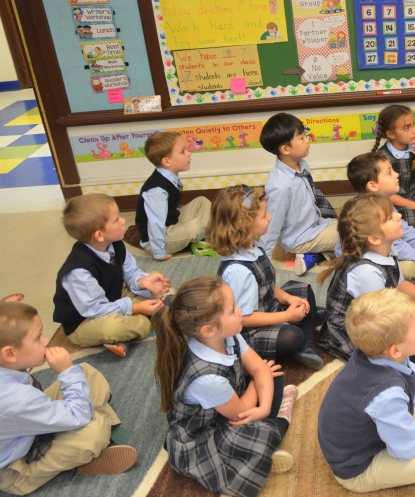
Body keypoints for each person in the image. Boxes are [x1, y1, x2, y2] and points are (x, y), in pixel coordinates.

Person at [318, 289, 415, 492]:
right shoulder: (386, 396)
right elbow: (407, 450)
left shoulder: (376, 355)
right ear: (395, 350)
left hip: (372, 431)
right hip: (359, 468)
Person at [153, 276, 295, 497]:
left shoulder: (230, 335)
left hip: (228, 402)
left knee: (272, 379)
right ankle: (280, 422)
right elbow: (240, 414)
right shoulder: (208, 379)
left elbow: (258, 369)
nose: (240, 311)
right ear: (209, 330)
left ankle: (272, 423)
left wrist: (264, 405)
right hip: (202, 435)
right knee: (259, 438)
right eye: (231, 310)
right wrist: (259, 386)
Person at [0, 302, 136, 495]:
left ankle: (92, 428)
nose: (46, 341)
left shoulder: (8, 374)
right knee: (92, 432)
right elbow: (76, 415)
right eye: (38, 338)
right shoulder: (15, 400)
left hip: (23, 428)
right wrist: (65, 372)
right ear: (10, 353)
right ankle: (86, 450)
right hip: (14, 469)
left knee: (85, 372)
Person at [317, 194, 415, 366]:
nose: (399, 215)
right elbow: (384, 319)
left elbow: (398, 284)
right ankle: (407, 358)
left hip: (383, 304)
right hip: (363, 327)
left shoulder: (386, 247)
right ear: (375, 238)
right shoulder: (366, 274)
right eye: (391, 217)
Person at [207, 186, 323, 370]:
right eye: (264, 216)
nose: (269, 217)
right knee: (292, 337)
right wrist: (286, 315)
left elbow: (267, 285)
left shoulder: (253, 246)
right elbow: (244, 319)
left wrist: (288, 298)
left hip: (267, 307)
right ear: (244, 226)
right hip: (250, 330)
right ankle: (305, 341)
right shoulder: (238, 271)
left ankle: (304, 322)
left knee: (304, 290)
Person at [53, 194, 169, 357]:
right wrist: (135, 308)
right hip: (85, 321)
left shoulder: (115, 243)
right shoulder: (78, 270)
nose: (123, 221)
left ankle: (138, 324)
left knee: (153, 276)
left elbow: (131, 273)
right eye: (116, 220)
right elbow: (95, 310)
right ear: (99, 235)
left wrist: (144, 282)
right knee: (113, 327)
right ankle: (146, 320)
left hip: (113, 298)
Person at [345, 152, 415, 280]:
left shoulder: (382, 202)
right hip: (369, 264)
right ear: (373, 186)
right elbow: (399, 248)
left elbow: (406, 231)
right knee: (408, 269)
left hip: (389, 247)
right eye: (389, 172)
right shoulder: (372, 213)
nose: (397, 174)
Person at [258, 113, 338, 275]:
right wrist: (264, 266)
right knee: (356, 234)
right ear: (285, 149)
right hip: (301, 237)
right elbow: (271, 227)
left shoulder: (301, 163)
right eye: (301, 138)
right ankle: (315, 255)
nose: (307, 140)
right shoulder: (279, 186)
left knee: (352, 222)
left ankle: (313, 257)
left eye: (305, 135)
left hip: (316, 224)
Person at [136, 131, 212, 261]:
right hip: (158, 238)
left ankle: (202, 235)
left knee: (202, 201)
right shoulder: (157, 189)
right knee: (195, 226)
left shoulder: (170, 177)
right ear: (166, 161)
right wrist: (159, 252)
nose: (189, 153)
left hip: (172, 223)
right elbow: (155, 223)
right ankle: (200, 234)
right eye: (183, 151)